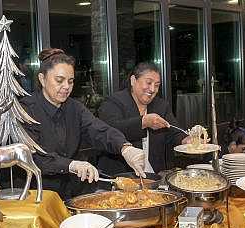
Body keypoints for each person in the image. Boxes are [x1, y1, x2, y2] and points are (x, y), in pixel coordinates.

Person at [19, 48, 145, 200]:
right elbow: (35, 157)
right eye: (59, 80)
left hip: (71, 192)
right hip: (37, 196)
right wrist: (71, 165)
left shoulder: (74, 107)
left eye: (70, 81)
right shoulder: (26, 110)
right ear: (42, 79)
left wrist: (125, 147)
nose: (66, 86)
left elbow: (98, 129)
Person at [98, 62, 190, 175]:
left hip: (154, 175)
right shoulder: (113, 102)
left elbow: (174, 131)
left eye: (156, 85)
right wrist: (143, 122)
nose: (152, 89)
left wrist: (187, 140)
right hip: (122, 175)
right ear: (133, 80)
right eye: (148, 82)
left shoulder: (161, 106)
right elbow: (110, 130)